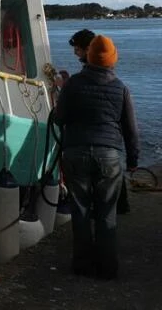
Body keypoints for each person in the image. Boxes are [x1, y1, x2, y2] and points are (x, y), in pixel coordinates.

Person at [54, 35, 140, 279]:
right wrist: (133, 160)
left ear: (89, 57)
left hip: (76, 151)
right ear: (113, 60)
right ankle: (107, 267)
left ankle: (82, 265)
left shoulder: (73, 84)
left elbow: (59, 118)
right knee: (106, 212)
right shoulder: (121, 88)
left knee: (80, 210)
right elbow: (131, 129)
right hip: (109, 155)